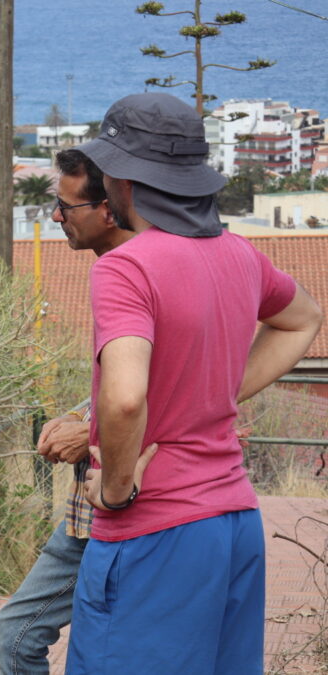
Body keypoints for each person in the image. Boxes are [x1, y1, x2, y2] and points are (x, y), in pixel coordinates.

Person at [67, 93, 324, 674]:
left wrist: (114, 488)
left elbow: (127, 395)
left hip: (154, 526)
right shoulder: (240, 255)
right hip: (234, 521)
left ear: (123, 178)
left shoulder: (125, 267)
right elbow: (304, 318)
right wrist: (215, 394)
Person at [0, 149, 133, 674]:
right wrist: (81, 416)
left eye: (64, 206)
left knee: (34, 636)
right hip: (85, 511)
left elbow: (157, 396)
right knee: (29, 634)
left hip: (126, 506)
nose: (55, 216)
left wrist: (88, 435)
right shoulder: (112, 272)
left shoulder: (134, 276)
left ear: (108, 209)